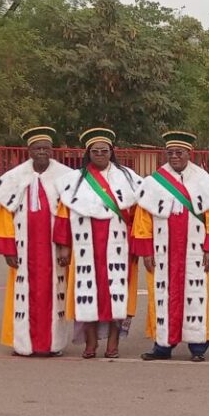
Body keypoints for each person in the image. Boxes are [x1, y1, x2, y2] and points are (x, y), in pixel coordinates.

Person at [132, 131, 209, 362]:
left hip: (195, 251)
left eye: (179, 153)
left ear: (188, 154)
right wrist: (146, 251)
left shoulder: (204, 181)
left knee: (197, 295)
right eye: (170, 153)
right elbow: (143, 219)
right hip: (163, 252)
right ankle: (162, 346)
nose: (174, 156)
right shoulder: (154, 182)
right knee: (161, 296)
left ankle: (198, 347)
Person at [53, 127, 142, 360]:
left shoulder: (128, 178)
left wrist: (137, 244)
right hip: (86, 244)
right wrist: (64, 245)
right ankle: (90, 342)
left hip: (120, 244)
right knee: (87, 293)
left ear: (111, 152)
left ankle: (113, 342)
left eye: (104, 150)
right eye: (95, 151)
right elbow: (63, 214)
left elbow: (138, 215)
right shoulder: (74, 180)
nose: (100, 154)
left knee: (117, 294)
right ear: (88, 153)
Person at [0, 126, 71, 356]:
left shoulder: (65, 177)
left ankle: (53, 344)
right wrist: (8, 249)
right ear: (29, 151)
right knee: (23, 294)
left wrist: (65, 246)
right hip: (24, 248)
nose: (42, 152)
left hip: (53, 248)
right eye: (37, 148)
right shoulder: (15, 177)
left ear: (52, 150)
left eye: (46, 148)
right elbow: (4, 215)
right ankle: (23, 343)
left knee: (55, 293)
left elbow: (68, 213)